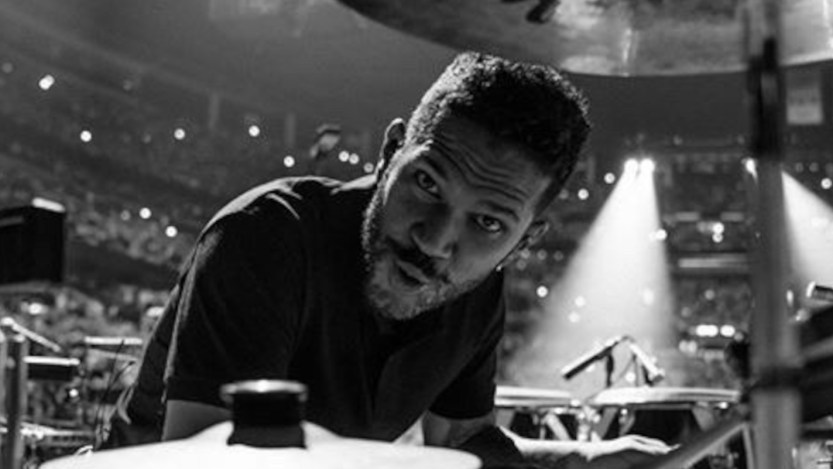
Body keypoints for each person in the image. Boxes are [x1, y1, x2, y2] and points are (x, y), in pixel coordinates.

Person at [104, 52, 670, 468]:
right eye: (427, 183)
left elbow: (461, 440)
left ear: (523, 242)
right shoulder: (266, 237)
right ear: (390, 152)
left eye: (489, 223)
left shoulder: (477, 289)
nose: (436, 239)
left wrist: (580, 458)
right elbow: (211, 459)